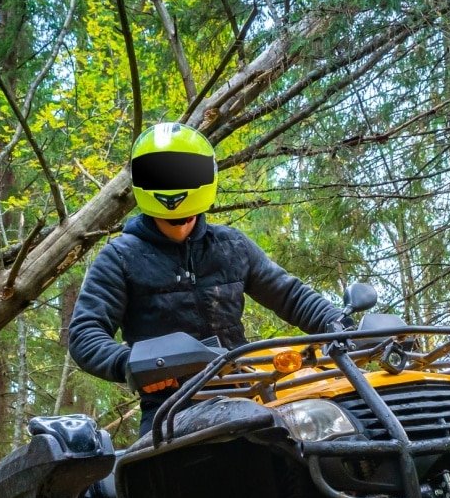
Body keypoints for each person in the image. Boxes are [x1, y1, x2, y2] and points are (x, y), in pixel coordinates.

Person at [67, 122, 349, 435]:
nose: (172, 182)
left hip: (246, 395)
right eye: (160, 172)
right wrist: (132, 363)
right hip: (169, 409)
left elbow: (290, 295)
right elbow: (85, 333)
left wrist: (338, 323)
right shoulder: (120, 257)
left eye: (184, 172)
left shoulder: (232, 246)